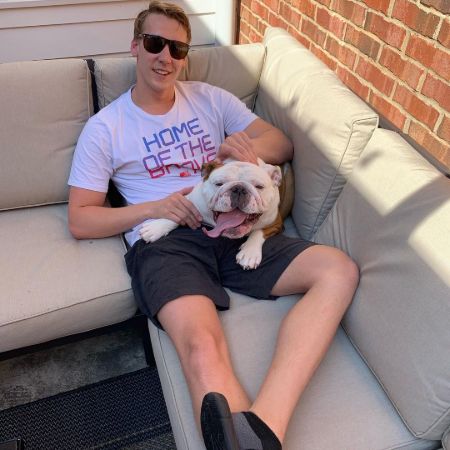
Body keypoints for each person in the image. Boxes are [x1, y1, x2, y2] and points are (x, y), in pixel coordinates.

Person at [68, 2, 359, 449]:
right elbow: (81, 219)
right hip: (169, 241)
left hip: (240, 226)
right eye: (155, 43)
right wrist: (155, 208)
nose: (166, 57)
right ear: (135, 47)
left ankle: (265, 425)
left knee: (338, 270)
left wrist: (244, 152)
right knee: (202, 347)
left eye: (178, 48)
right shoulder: (105, 128)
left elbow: (280, 143)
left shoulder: (209, 98)